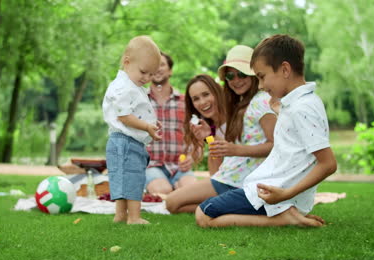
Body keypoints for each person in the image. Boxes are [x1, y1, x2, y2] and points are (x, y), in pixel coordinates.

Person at [195, 34, 337, 228]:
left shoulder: (301, 108)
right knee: (208, 210)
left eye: (262, 77)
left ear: (285, 69)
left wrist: (286, 195)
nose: (260, 85)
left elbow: (328, 164)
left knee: (203, 214)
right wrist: (278, 108)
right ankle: (285, 216)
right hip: (272, 190)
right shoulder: (300, 104)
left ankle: (282, 219)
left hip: (275, 192)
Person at [166, 45, 277, 214]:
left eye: (241, 73)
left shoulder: (260, 102)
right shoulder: (241, 107)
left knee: (173, 203)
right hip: (229, 177)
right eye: (230, 75)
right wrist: (209, 137)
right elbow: (224, 153)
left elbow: (276, 146)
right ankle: (223, 206)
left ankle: (223, 206)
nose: (236, 79)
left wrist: (235, 149)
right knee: (173, 204)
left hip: (239, 180)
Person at [102, 36, 161, 225]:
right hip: (125, 142)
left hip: (123, 141)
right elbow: (124, 116)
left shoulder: (131, 85)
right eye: (144, 72)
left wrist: (150, 126)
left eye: (152, 75)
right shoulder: (123, 87)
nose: (147, 78)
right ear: (127, 62)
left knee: (122, 177)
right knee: (133, 176)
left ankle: (120, 215)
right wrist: (146, 127)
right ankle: (134, 217)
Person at [145, 52, 196, 195]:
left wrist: (191, 157)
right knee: (163, 190)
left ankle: (177, 190)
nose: (158, 68)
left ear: (170, 70)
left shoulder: (185, 102)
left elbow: (195, 137)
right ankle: (164, 189)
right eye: (154, 65)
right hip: (151, 166)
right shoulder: (141, 102)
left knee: (192, 192)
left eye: (162, 64)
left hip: (179, 167)